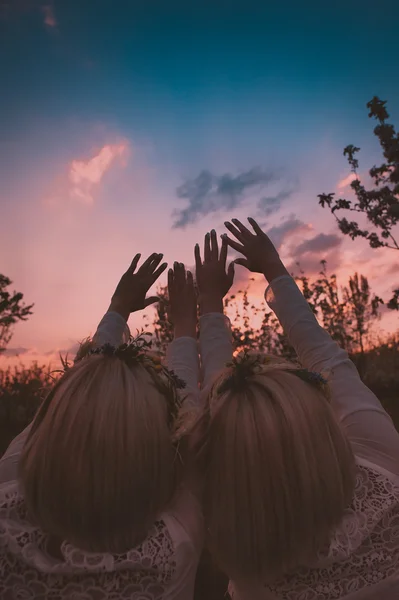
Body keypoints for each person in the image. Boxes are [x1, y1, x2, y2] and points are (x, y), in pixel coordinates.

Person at [189, 217, 399, 600]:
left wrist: (207, 306)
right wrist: (273, 269)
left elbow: (212, 415)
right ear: (322, 422)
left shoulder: (231, 534)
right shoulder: (382, 462)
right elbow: (327, 358)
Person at [0, 252, 206, 600]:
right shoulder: (175, 545)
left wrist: (118, 307)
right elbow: (190, 418)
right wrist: (187, 324)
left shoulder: (7, 502)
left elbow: (80, 404)